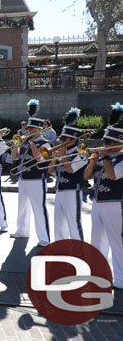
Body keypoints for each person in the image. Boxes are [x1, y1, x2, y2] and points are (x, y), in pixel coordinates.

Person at [84, 102, 123, 289]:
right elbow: (86, 176)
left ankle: (121, 277)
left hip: (115, 203)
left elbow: (113, 175)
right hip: (98, 202)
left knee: (117, 241)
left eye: (108, 143)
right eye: (104, 142)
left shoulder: (121, 159)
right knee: (96, 240)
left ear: (117, 143)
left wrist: (105, 156)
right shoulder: (101, 158)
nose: (104, 145)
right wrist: (93, 161)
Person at [10, 99, 51, 246]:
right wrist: (16, 146)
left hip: (37, 179)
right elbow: (14, 158)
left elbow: (39, 158)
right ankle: (22, 230)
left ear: (38, 130)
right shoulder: (25, 142)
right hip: (23, 178)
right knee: (22, 207)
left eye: (31, 130)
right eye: (28, 129)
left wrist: (32, 142)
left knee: (39, 209)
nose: (27, 131)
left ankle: (44, 238)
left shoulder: (44, 143)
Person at [47, 107, 86, 241]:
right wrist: (54, 158)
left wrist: (63, 155)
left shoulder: (81, 154)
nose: (61, 141)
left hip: (72, 191)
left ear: (74, 140)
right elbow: (50, 171)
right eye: (61, 138)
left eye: (64, 139)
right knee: (58, 225)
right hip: (59, 190)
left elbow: (70, 169)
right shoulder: (62, 152)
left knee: (74, 224)